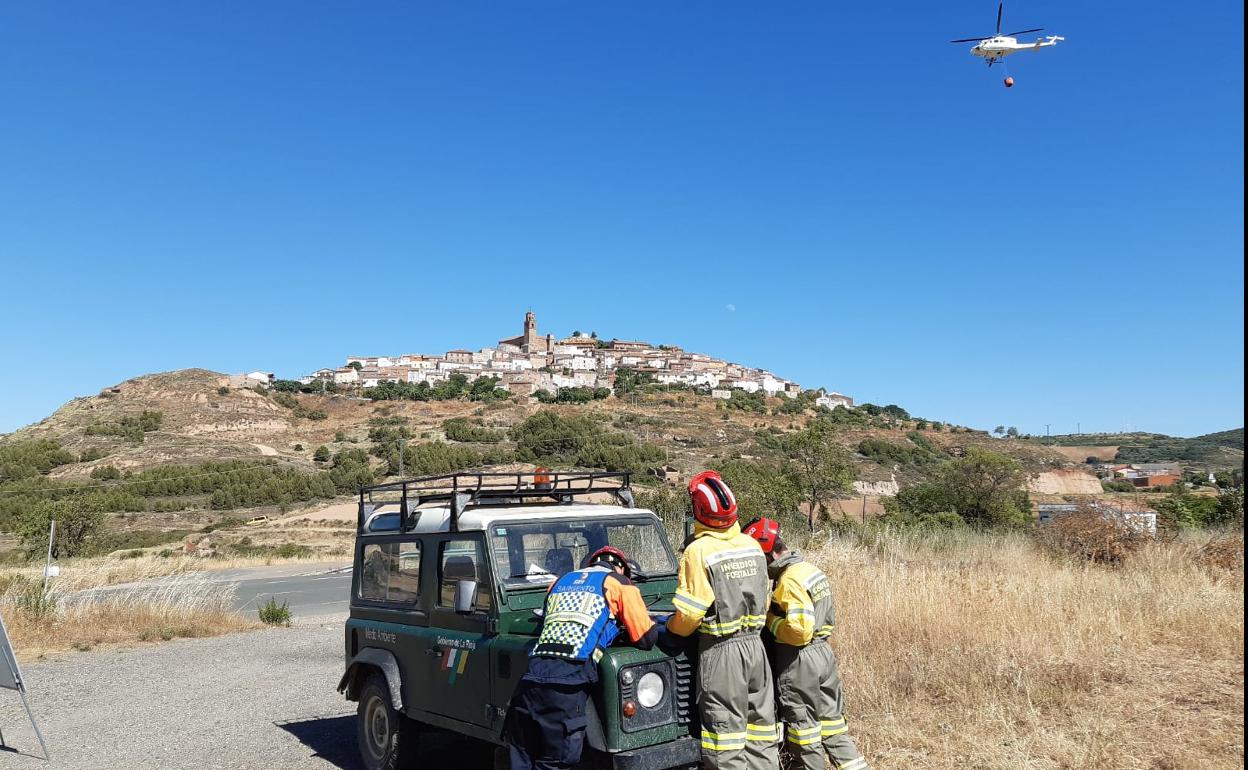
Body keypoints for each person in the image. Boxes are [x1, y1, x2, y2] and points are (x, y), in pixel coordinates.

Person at [658, 471, 778, 770]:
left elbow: (689, 615)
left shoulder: (699, 551)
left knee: (724, 739)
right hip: (756, 649)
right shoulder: (751, 546)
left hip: (722, 653)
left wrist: (669, 631)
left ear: (698, 511)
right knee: (760, 733)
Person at [506, 545, 659, 770]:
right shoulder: (619, 583)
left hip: (530, 681)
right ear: (621, 568)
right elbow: (646, 638)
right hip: (567, 685)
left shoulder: (560, 582)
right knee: (555, 763)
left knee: (523, 757)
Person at [743, 517, 870, 770]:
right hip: (823, 654)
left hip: (801, 660)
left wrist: (769, 619)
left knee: (805, 733)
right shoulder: (810, 570)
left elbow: (799, 632)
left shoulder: (789, 580)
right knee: (833, 728)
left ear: (768, 553)